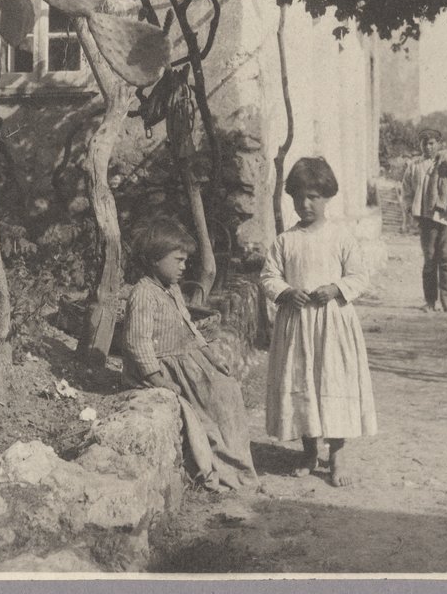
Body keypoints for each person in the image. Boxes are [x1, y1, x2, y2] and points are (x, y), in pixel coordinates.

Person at [260, 157, 377, 487]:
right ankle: (309, 450)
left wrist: (335, 288)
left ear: (327, 197)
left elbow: (359, 275)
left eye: (313, 196)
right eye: (298, 197)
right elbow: (268, 276)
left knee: (332, 383)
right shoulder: (285, 241)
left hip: (332, 325)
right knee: (302, 384)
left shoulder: (340, 237)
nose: (305, 204)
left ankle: (337, 454)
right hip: (297, 326)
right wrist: (285, 292)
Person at [122, 216, 256, 491]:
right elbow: (138, 342)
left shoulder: (171, 289)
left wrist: (210, 356)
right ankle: (224, 465)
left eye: (185, 260)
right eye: (178, 260)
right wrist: (157, 378)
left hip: (186, 360)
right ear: (154, 259)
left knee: (227, 389)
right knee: (206, 406)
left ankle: (240, 462)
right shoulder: (143, 294)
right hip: (162, 367)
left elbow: (189, 327)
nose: (184, 267)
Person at [401, 129, 447, 313]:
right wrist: (410, 209)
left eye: (432, 143)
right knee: (430, 259)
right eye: (424, 143)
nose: (428, 146)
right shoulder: (415, 166)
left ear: (438, 144)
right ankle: (430, 301)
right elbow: (406, 191)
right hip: (426, 218)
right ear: (420, 144)